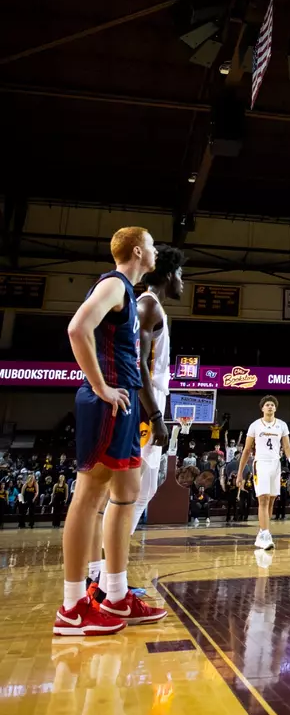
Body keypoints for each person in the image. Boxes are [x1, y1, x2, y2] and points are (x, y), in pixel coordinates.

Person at [55, 226, 167, 636]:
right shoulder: (114, 284)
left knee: (127, 494)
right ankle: (72, 605)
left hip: (123, 404)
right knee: (88, 497)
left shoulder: (130, 293)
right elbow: (77, 328)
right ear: (138, 251)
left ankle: (116, 594)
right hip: (106, 401)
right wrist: (100, 385)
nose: (156, 251)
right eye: (152, 245)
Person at [131, 244, 182, 530]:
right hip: (145, 404)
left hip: (154, 400)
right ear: (170, 274)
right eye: (181, 274)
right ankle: (98, 567)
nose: (183, 282)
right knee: (128, 489)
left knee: (147, 489)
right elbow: (138, 365)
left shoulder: (155, 307)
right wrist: (155, 416)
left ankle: (111, 559)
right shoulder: (148, 304)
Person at [237, 396, 290, 550]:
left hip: (276, 464)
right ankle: (266, 535)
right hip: (260, 463)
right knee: (263, 499)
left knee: (271, 500)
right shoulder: (255, 426)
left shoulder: (281, 425)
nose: (270, 407)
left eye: (272, 405)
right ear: (262, 408)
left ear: (275, 408)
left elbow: (287, 447)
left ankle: (262, 532)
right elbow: (247, 450)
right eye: (267, 405)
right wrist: (240, 473)